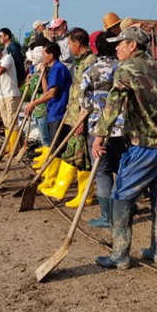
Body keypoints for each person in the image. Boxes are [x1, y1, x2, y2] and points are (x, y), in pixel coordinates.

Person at [93, 26, 157, 269]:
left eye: (120, 43)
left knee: (121, 195)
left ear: (133, 45)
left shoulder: (127, 69)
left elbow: (113, 104)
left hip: (142, 146)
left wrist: (100, 135)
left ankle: (119, 255)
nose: (116, 48)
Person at [41, 28, 96, 206]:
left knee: (82, 156)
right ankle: (60, 188)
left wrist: (81, 118)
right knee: (71, 153)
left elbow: (88, 94)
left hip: (82, 118)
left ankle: (85, 195)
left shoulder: (90, 62)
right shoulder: (81, 62)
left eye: (70, 44)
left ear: (77, 43)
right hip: (73, 116)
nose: (69, 48)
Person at [81, 31, 126, 228]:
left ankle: (107, 217)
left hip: (98, 129)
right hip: (123, 128)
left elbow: (85, 102)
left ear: (96, 48)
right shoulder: (124, 68)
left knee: (102, 172)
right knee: (124, 169)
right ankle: (125, 210)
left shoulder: (90, 70)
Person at [25, 42, 72, 192]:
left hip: (59, 111)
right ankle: (50, 178)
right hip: (52, 111)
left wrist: (33, 103)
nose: (42, 56)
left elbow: (52, 94)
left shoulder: (58, 69)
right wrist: (44, 75)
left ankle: (53, 180)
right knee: (54, 146)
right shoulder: (52, 69)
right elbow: (47, 90)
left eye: (44, 54)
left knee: (57, 148)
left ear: (51, 55)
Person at [0, 39, 23, 154]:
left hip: (11, 95)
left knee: (12, 123)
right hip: (2, 96)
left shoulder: (7, 58)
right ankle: (9, 146)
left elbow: (0, 71)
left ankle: (14, 148)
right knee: (6, 123)